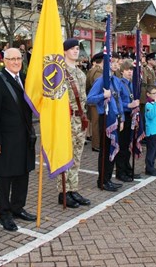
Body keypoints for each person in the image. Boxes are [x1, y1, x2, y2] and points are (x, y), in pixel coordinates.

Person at [0, 48, 37, 232]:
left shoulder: (25, 79)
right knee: (6, 177)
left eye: (19, 58)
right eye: (12, 59)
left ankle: (18, 207)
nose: (16, 62)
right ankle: (5, 214)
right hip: (6, 138)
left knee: (23, 173)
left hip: (25, 136)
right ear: (4, 61)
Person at [57, 38, 92, 207]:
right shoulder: (59, 71)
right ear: (64, 51)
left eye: (77, 48)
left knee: (77, 156)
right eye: (72, 48)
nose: (76, 51)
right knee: (65, 156)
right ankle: (63, 191)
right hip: (66, 119)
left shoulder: (80, 73)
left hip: (79, 119)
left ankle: (73, 189)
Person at [87, 51, 125, 192]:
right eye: (113, 62)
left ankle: (108, 178)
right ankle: (102, 180)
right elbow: (90, 98)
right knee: (105, 150)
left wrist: (122, 117)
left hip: (115, 118)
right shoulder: (102, 80)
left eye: (117, 62)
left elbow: (119, 99)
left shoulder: (115, 80)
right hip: (105, 118)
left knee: (112, 149)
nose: (115, 65)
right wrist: (103, 95)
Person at [116, 59, 140, 182]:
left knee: (128, 144)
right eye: (127, 70)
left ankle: (127, 168)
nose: (130, 72)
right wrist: (129, 105)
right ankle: (120, 171)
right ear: (122, 71)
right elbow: (118, 101)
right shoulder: (120, 84)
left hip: (131, 116)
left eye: (131, 70)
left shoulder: (131, 84)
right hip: (124, 116)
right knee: (122, 145)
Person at [85, 52, 104, 153]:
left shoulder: (93, 70)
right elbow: (98, 87)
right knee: (96, 124)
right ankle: (96, 144)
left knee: (95, 123)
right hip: (96, 101)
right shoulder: (98, 72)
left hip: (95, 100)